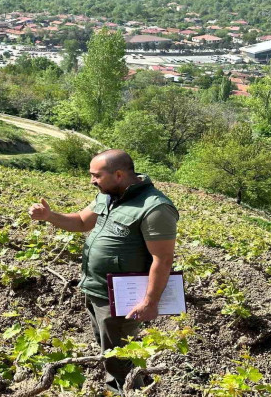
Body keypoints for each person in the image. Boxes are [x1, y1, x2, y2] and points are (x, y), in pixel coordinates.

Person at [28, 149, 178, 394]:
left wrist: (151, 302)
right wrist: (49, 216)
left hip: (121, 299)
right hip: (96, 289)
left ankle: (129, 391)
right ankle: (138, 386)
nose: (92, 181)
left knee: (117, 358)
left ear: (118, 174)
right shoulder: (108, 196)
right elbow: (80, 222)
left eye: (96, 175)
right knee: (109, 350)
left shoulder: (154, 207)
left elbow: (162, 259)